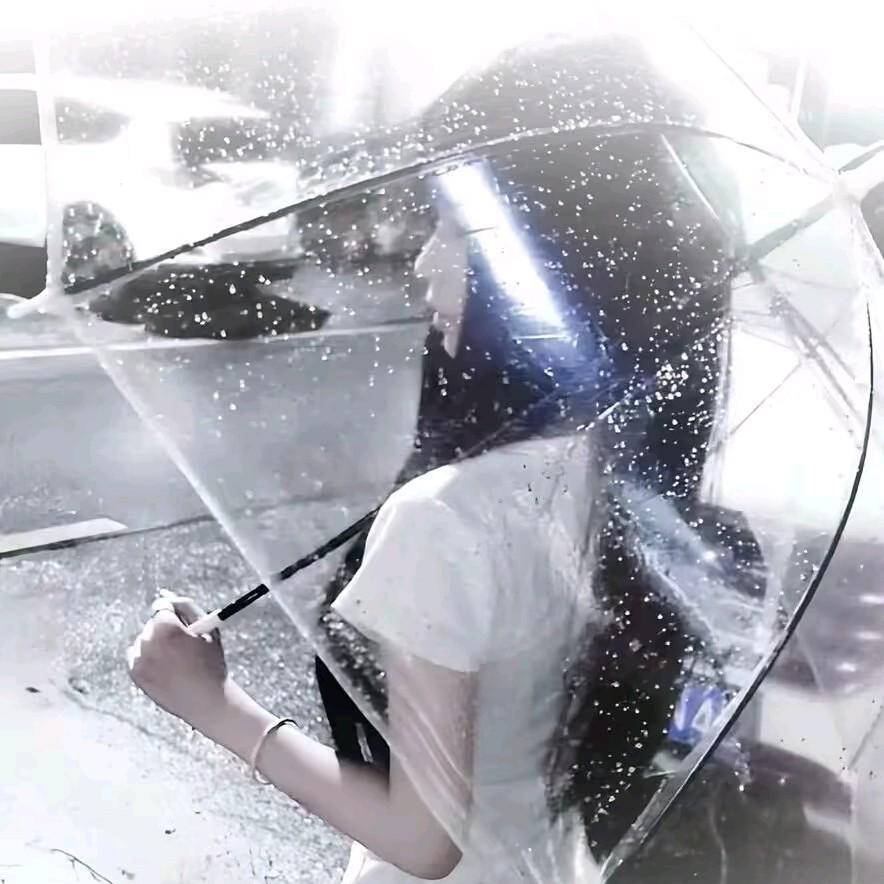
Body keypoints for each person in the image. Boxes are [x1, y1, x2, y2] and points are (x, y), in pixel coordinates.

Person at [127, 33, 745, 883]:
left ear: (536, 266)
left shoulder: (445, 519)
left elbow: (422, 840)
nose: (422, 262)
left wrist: (209, 702)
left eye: (452, 230)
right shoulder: (601, 464)